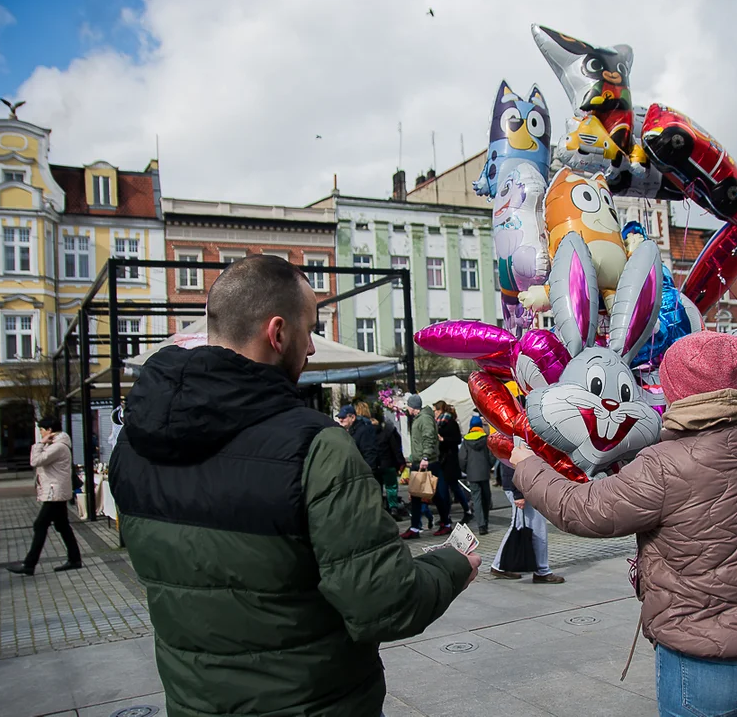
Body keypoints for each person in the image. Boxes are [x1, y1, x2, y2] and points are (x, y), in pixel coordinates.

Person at [109, 255, 478, 717]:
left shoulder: (134, 441)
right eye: (309, 331)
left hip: (194, 703)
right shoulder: (315, 445)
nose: (309, 351)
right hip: (315, 702)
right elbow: (384, 603)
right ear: (278, 333)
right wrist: (453, 565)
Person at [512, 331, 737, 715]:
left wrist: (528, 467)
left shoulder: (665, 462)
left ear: (676, 388)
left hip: (707, 653)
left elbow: (585, 510)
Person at [6, 416, 82, 576]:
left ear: (49, 430)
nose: (40, 433)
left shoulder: (58, 447)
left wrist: (40, 444)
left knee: (40, 525)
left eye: (41, 430)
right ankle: (75, 558)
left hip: (55, 492)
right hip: (55, 490)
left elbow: (35, 461)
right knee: (62, 525)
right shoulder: (56, 445)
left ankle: (29, 564)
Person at [490, 458, 565, 584]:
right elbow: (514, 462)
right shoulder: (518, 438)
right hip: (525, 486)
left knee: (519, 525)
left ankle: (499, 565)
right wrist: (518, 493)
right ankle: (542, 571)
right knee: (537, 528)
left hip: (523, 485)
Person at [401, 394, 443, 540]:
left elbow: (428, 437)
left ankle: (444, 522)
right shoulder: (420, 418)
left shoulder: (424, 419)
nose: (407, 408)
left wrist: (425, 456)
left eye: (408, 405)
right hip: (420, 461)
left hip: (426, 462)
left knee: (432, 493)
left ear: (413, 407)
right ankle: (415, 526)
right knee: (418, 494)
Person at [434, 401, 472, 533]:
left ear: (440, 410)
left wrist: (443, 440)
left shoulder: (450, 422)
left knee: (451, 488)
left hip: (450, 461)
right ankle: (447, 515)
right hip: (443, 461)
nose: (434, 413)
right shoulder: (439, 423)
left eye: (435, 410)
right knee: (447, 489)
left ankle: (465, 511)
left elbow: (456, 439)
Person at [459, 415, 493, 536]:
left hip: (472, 474)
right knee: (486, 498)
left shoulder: (466, 440)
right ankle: (486, 521)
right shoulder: (486, 438)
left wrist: (466, 470)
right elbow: (491, 456)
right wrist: (489, 467)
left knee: (476, 499)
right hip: (484, 473)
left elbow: (462, 458)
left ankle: (481, 525)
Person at [377, 410, 408, 519]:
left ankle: (380, 509)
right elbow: (395, 448)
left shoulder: (367, 431)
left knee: (377, 488)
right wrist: (401, 462)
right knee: (391, 487)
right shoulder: (388, 430)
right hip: (388, 463)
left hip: (375, 464)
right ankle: (393, 508)